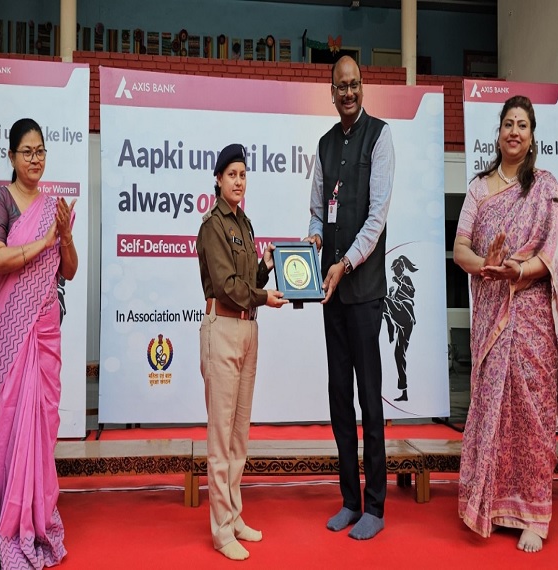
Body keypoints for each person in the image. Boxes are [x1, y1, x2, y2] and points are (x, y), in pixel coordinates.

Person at [453, 95, 558, 553]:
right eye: (509, 123)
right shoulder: (479, 189)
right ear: (499, 131)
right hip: (492, 315)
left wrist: (519, 272)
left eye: (523, 125)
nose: (514, 132)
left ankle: (534, 515)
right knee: (492, 409)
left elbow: (556, 252)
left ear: (532, 136)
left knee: (530, 415)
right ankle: (492, 502)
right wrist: (484, 268)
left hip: (531, 321)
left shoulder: (546, 186)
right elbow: (460, 247)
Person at [306, 55, 394, 541]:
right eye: (341, 85)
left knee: (367, 399)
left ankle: (376, 506)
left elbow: (376, 218)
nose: (348, 92)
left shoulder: (380, 137)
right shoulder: (323, 144)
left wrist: (344, 265)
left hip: (361, 290)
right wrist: (315, 243)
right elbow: (318, 213)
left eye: (355, 84)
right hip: (330, 293)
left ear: (364, 86)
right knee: (339, 396)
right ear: (331, 90)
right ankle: (349, 500)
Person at [0, 118, 78, 568]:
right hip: (7, 330)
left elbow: (69, 270)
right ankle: (8, 519)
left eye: (41, 151)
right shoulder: (0, 200)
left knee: (39, 427)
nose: (35, 159)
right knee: (9, 424)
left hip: (44, 329)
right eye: (27, 151)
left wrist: (65, 237)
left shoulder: (54, 206)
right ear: (11, 156)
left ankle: (38, 519)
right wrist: (45, 240)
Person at [196, 143, 288, 561]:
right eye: (232, 173)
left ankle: (233, 516)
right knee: (220, 438)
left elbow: (248, 278)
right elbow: (229, 285)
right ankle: (220, 530)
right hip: (224, 327)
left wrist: (267, 266)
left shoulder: (245, 224)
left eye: (243, 174)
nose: (238, 180)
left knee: (239, 435)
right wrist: (263, 295)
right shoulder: (213, 225)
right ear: (218, 179)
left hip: (249, 329)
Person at [383, 255, 418, 402]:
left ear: (401, 268)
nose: (395, 272)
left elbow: (411, 292)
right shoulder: (397, 284)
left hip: (406, 314)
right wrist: (392, 294)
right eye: (394, 270)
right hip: (401, 321)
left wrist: (400, 283)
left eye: (396, 269)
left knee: (382, 299)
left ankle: (390, 326)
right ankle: (404, 391)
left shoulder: (406, 279)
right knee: (399, 354)